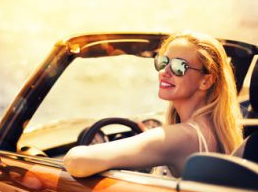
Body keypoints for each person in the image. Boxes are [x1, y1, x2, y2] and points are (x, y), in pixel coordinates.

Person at [63, 31, 244, 178]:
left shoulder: (180, 137)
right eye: (163, 62)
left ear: (206, 81)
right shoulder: (216, 130)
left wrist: (154, 140)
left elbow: (76, 161)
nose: (164, 72)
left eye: (179, 66)